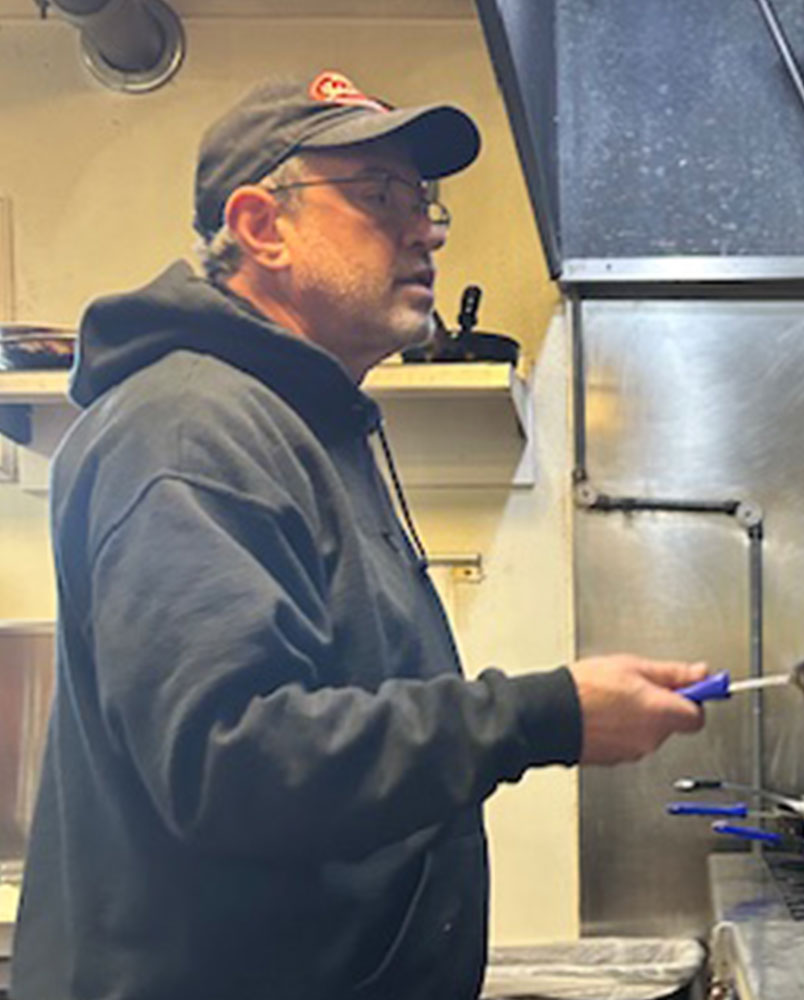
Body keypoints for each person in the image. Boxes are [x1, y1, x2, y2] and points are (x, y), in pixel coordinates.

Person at [12, 71, 708, 1000]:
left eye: (426, 204)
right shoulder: (187, 429)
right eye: (381, 197)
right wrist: (546, 714)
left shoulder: (300, 423)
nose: (423, 229)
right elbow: (234, 761)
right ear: (263, 227)